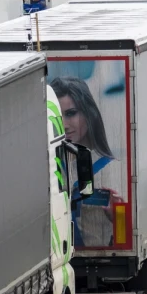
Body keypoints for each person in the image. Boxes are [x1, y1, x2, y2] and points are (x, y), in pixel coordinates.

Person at [50, 75, 117, 247]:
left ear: (89, 113)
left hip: (100, 262)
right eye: (58, 116)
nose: (64, 124)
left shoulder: (114, 171)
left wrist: (118, 219)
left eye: (71, 114)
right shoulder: (50, 170)